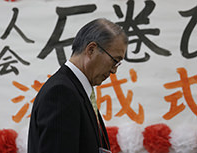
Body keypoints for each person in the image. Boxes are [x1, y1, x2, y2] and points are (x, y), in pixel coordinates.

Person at [28, 18, 128, 153]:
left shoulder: (76, 90)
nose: (114, 70)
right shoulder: (61, 93)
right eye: (114, 61)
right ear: (91, 50)